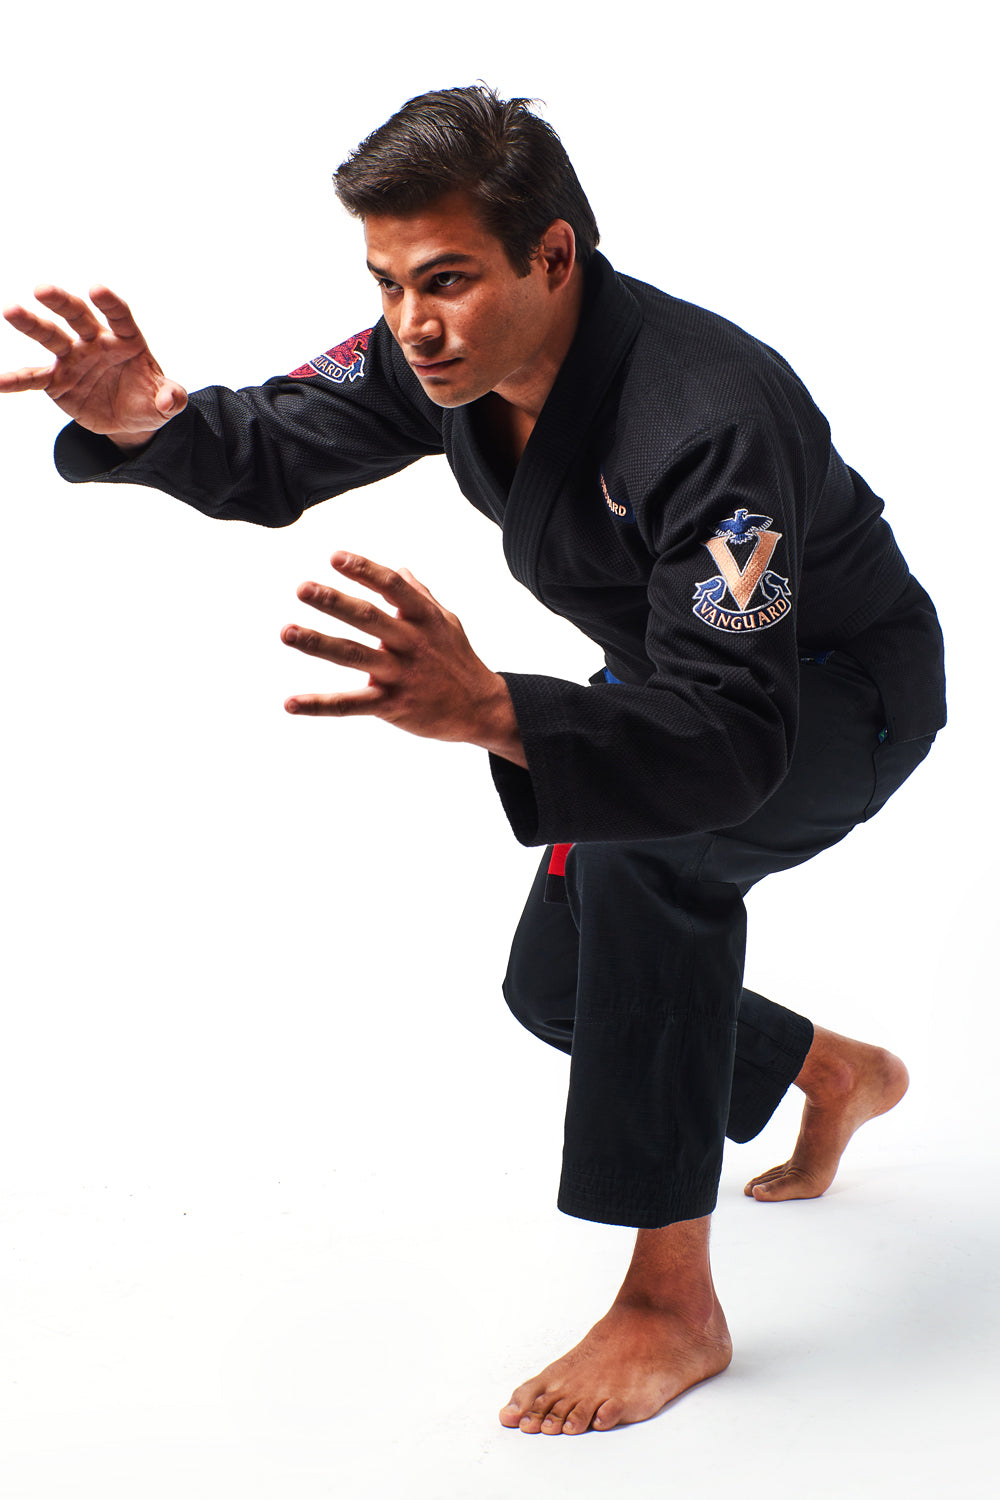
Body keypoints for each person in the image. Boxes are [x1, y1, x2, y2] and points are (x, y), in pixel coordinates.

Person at [0, 84, 945, 1436]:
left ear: (553, 256)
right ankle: (829, 1072)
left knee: (644, 861)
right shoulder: (441, 355)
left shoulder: (706, 418)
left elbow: (735, 737)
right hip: (672, 685)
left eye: (443, 279)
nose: (410, 322)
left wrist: (503, 710)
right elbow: (277, 441)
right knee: (560, 987)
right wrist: (150, 418)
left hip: (828, 696)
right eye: (386, 284)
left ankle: (671, 1305)